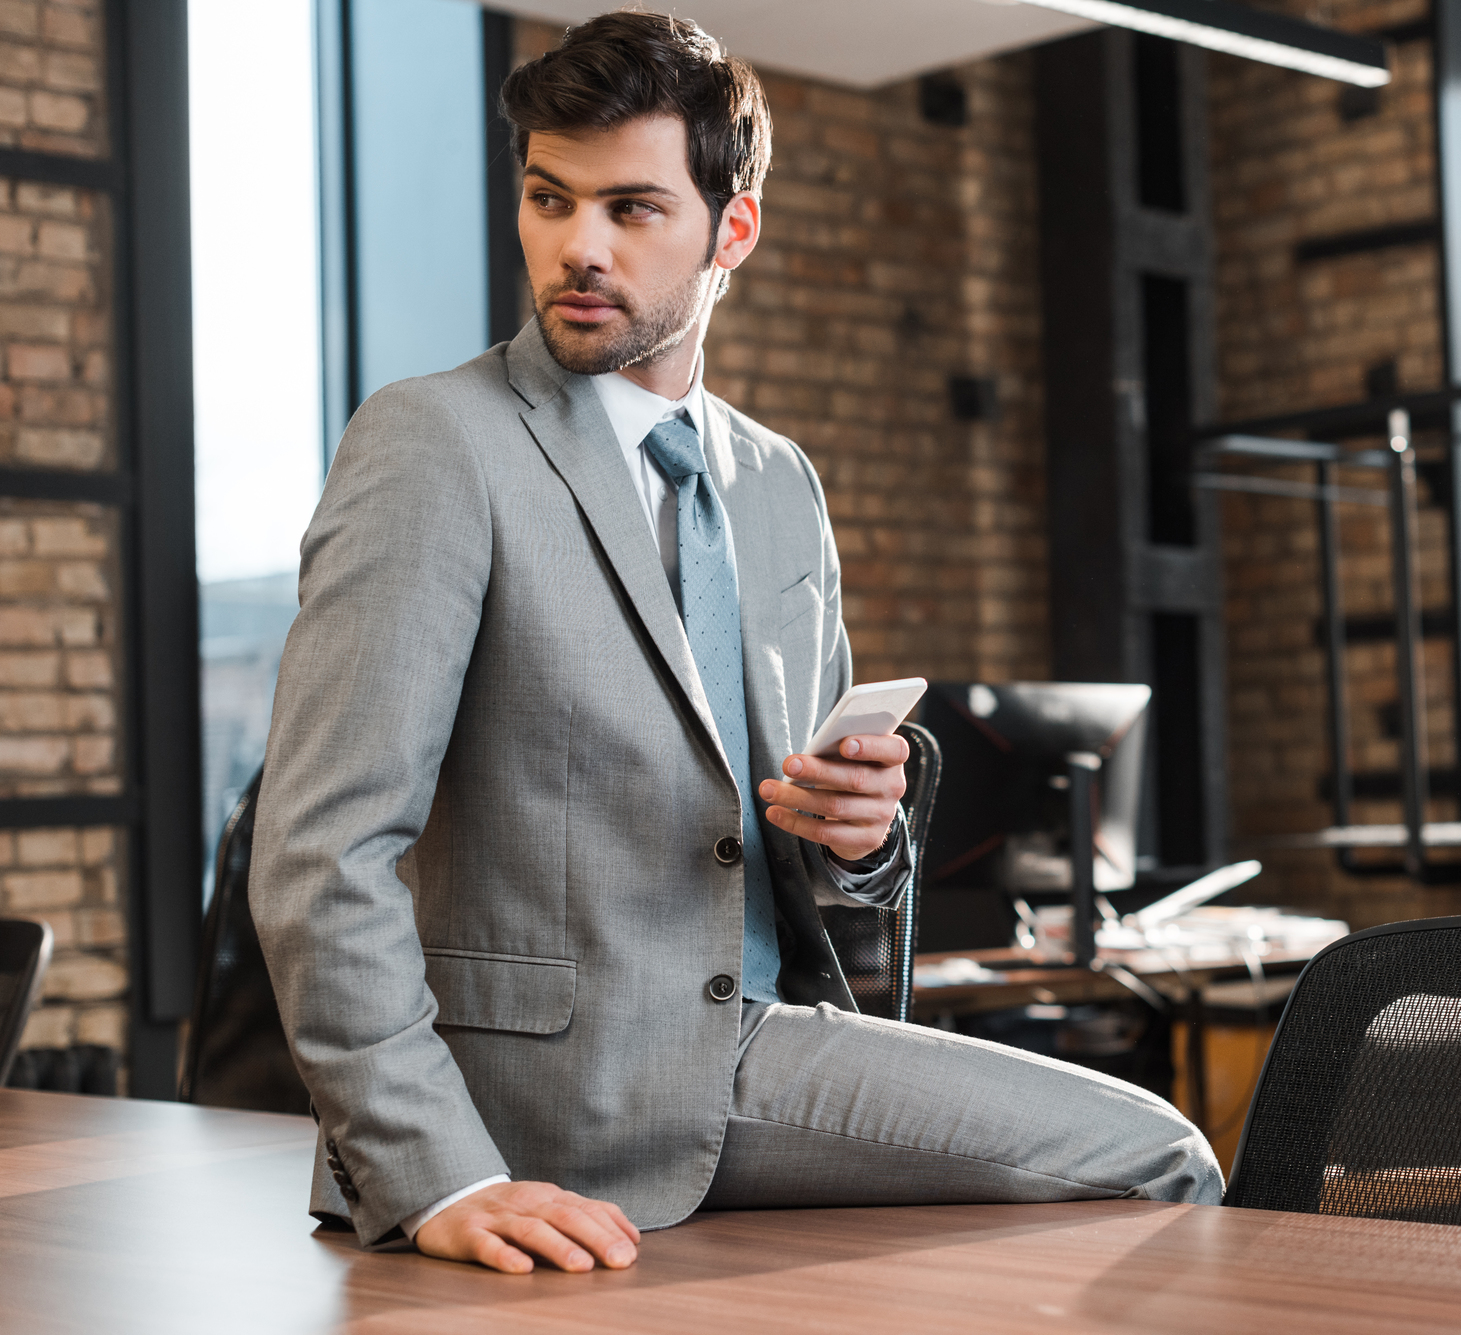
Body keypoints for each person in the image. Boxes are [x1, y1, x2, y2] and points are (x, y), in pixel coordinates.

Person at [251, 11, 1222, 1277]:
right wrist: (439, 1175)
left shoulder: (775, 485)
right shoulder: (438, 443)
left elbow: (796, 849)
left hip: (756, 1036)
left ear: (733, 231)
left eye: (632, 209)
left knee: (1146, 1167)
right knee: (1162, 1155)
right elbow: (321, 848)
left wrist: (860, 833)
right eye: (550, 199)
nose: (577, 248)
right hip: (555, 1090)